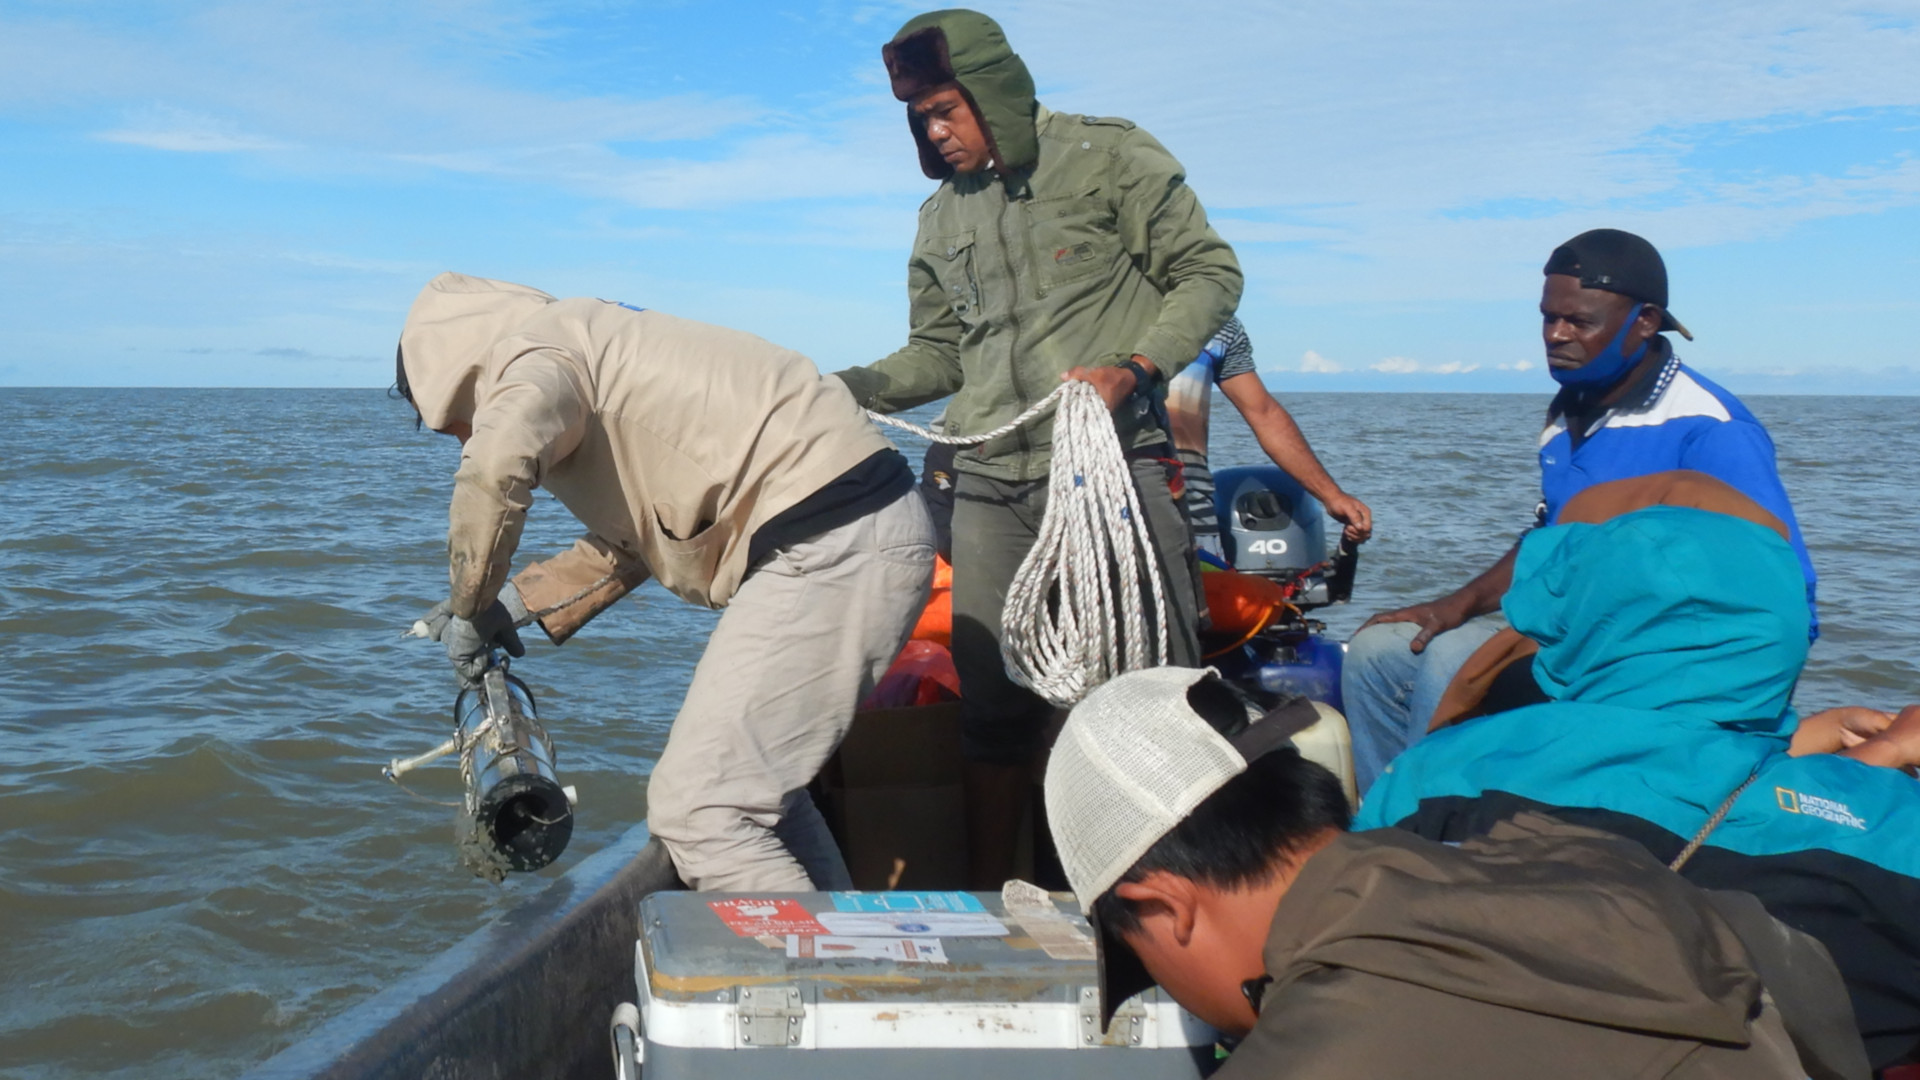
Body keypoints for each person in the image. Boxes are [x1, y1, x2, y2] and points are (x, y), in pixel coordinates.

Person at [832, 9, 1243, 885]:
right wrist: (843, 389)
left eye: (945, 109)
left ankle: (1170, 904)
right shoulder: (940, 218)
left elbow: (1210, 273)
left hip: (1111, 473)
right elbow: (939, 353)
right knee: (991, 713)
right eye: (919, 119)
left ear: (992, 92)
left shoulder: (1111, 157)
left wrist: (1135, 368)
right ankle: (1000, 902)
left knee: (1147, 698)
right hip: (986, 484)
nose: (933, 133)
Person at [395, 272, 934, 892]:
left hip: (833, 541)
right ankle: (851, 964)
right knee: (757, 795)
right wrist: (511, 605)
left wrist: (471, 604)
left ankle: (821, 985)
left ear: (446, 375)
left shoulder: (532, 356)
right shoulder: (589, 339)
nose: (460, 434)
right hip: (852, 527)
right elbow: (641, 540)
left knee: (701, 811)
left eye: (449, 424)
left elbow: (493, 468)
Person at [1041, 666, 1838, 1079]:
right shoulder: (1576, 855)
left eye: (1145, 962)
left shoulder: (1318, 1058)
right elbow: (1809, 991)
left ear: (1165, 907)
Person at [1358, 500, 1919, 1070]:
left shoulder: (1439, 769)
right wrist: (1882, 759)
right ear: (1784, 635)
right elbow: (1758, 805)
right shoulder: (1892, 823)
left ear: (1584, 624)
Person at [1342, 228, 1817, 794]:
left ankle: (1440, 839)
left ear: (1644, 322)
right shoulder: (1572, 409)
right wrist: (1456, 604)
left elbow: (1786, 590)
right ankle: (1383, 823)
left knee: (1454, 661)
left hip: (1646, 655)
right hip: (1565, 624)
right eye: (1547, 318)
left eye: (1579, 322)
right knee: (1377, 654)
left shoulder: (1711, 429)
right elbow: (1553, 536)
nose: (1556, 335)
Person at [1165, 316, 1371, 558]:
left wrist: (1331, 495)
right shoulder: (1110, 310)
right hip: (1113, 518)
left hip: (1192, 519)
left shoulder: (1216, 322)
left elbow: (1264, 413)